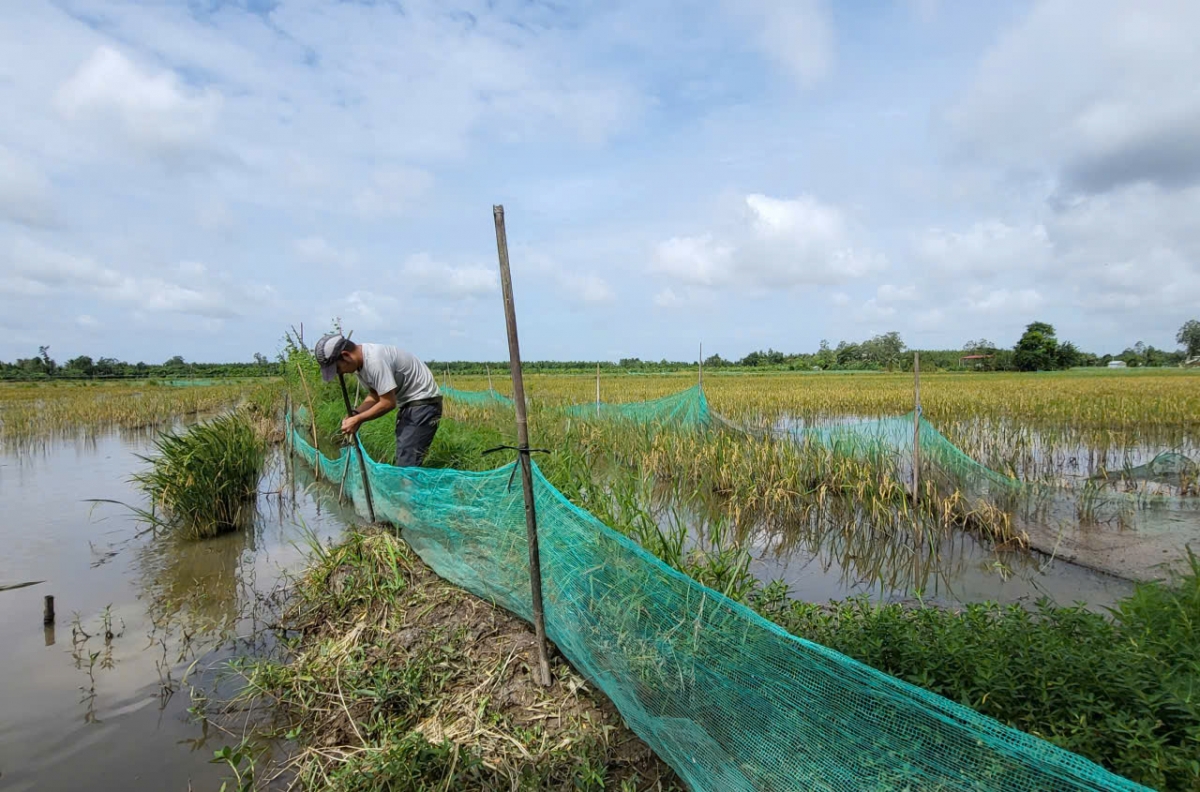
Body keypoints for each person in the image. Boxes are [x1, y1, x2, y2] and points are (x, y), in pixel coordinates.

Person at [314, 332, 442, 467]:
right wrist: (355, 414)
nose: (340, 373)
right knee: (405, 455)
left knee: (407, 462)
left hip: (423, 403)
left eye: (338, 368)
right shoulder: (360, 365)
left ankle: (409, 488)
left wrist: (358, 419)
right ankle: (407, 486)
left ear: (346, 356)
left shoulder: (375, 361)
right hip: (409, 404)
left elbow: (388, 402)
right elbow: (375, 395)